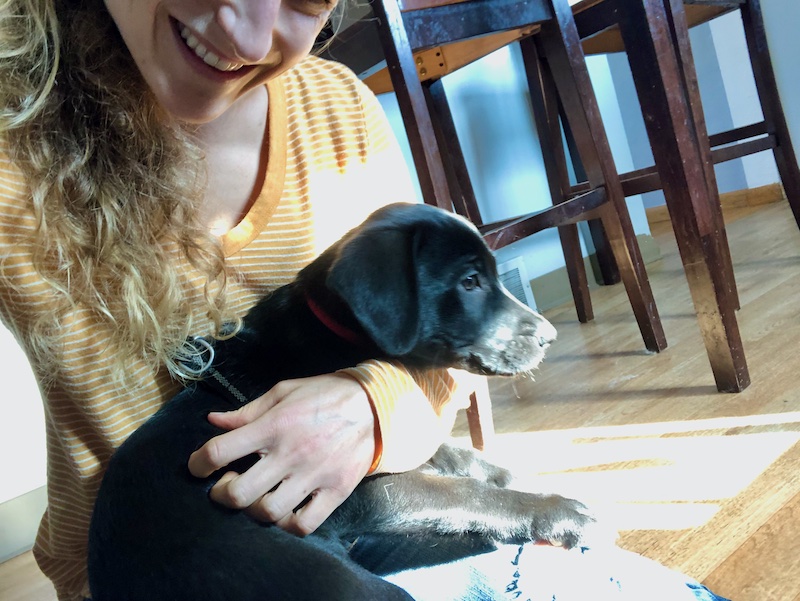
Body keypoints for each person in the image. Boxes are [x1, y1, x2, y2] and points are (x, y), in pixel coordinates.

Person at [0, 1, 731, 600]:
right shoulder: (14, 137)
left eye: (301, 0)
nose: (246, 34)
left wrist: (368, 410)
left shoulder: (334, 110)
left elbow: (440, 359)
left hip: (365, 535)